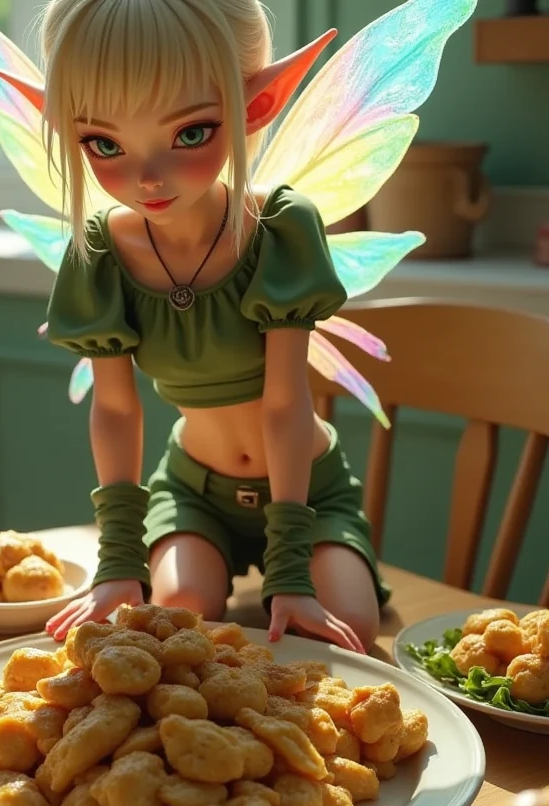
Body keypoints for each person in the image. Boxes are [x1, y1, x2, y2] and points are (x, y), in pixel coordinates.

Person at [39, 0, 389, 652]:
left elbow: (285, 402)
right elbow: (116, 409)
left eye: (191, 133)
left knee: (351, 634)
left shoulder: (281, 230)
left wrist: (289, 569)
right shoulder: (99, 252)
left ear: (257, 104)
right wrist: (118, 562)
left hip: (309, 487)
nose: (147, 176)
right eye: (104, 144)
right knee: (180, 618)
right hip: (194, 490)